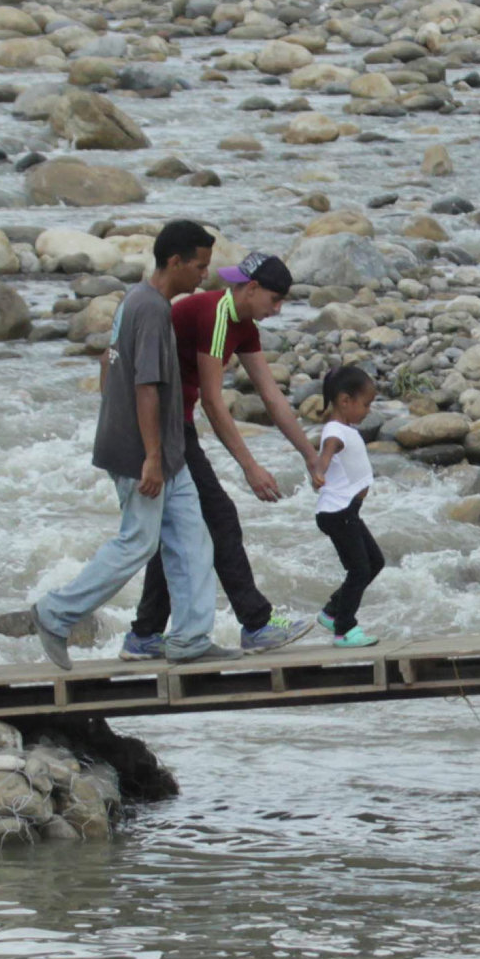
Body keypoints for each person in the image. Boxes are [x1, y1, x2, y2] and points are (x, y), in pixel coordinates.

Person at [31, 220, 219, 670]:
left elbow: (107, 362)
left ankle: (192, 637)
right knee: (137, 542)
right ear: (175, 262)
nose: (204, 277)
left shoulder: (136, 298)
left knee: (192, 540)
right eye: (199, 267)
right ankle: (55, 613)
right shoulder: (152, 310)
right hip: (146, 454)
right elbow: (146, 386)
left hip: (164, 451)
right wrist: (150, 457)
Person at [130, 250, 320, 658]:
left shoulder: (242, 322)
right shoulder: (217, 315)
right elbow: (214, 403)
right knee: (219, 516)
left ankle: (144, 634)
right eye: (274, 299)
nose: (278, 308)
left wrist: (309, 455)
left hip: (170, 424)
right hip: (159, 426)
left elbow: (271, 395)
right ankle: (256, 624)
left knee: (178, 526)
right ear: (251, 288)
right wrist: (250, 467)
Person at [311, 362, 386, 647]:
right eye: (366, 404)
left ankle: (332, 611)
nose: (368, 411)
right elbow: (329, 447)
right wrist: (320, 469)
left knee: (374, 562)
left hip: (346, 512)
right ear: (345, 401)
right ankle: (344, 629)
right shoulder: (336, 431)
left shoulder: (344, 427)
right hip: (338, 513)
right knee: (359, 570)